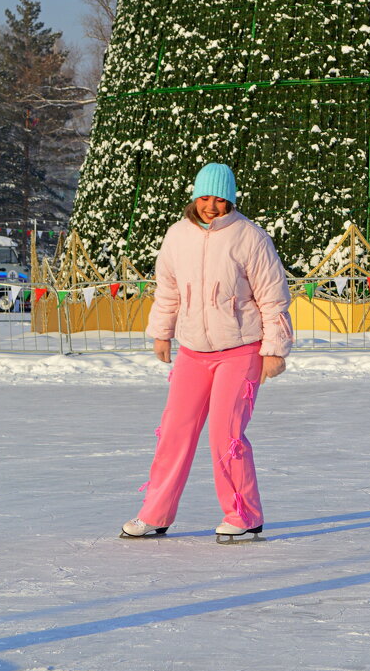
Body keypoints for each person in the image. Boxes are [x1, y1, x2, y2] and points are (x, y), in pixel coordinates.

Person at [120, 162, 293, 542]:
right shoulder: (177, 236)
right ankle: (155, 513)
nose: (211, 206)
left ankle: (243, 514)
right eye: (204, 197)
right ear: (194, 197)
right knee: (174, 433)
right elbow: (168, 291)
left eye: (219, 199)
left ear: (230, 200)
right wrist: (162, 333)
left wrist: (274, 349)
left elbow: (272, 297)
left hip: (240, 350)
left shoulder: (251, 238)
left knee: (225, 435)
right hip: (192, 351)